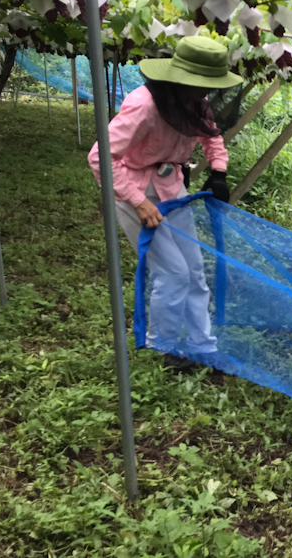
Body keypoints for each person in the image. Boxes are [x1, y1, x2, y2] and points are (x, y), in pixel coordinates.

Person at [89, 36, 243, 371]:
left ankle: (203, 345)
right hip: (135, 190)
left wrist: (218, 172)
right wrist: (138, 202)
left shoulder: (197, 102)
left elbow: (211, 135)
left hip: (173, 188)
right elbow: (100, 157)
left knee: (194, 270)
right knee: (173, 272)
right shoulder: (144, 105)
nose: (207, 91)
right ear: (182, 77)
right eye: (203, 83)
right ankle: (165, 345)